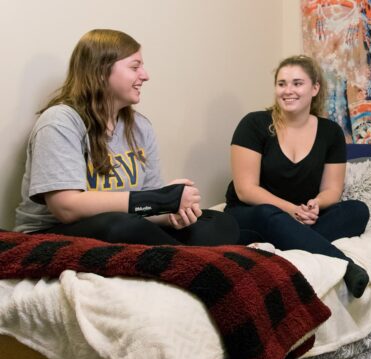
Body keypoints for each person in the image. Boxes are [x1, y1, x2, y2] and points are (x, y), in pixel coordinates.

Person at [14, 29, 239, 246]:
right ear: (101, 71)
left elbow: (143, 211)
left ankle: (173, 251)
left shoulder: (140, 127)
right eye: (135, 66)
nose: (145, 75)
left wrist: (170, 216)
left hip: (125, 226)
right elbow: (66, 207)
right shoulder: (60, 121)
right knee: (121, 226)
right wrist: (158, 200)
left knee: (218, 222)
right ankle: (184, 255)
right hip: (51, 235)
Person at [224, 55, 370, 298]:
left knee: (358, 211)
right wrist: (291, 211)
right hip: (254, 213)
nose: (288, 90)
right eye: (281, 84)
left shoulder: (330, 132)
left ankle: (291, 241)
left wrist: (316, 204)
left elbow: (332, 190)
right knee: (268, 214)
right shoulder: (254, 124)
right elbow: (245, 190)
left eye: (297, 83)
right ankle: (346, 265)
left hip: (302, 217)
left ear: (314, 88)